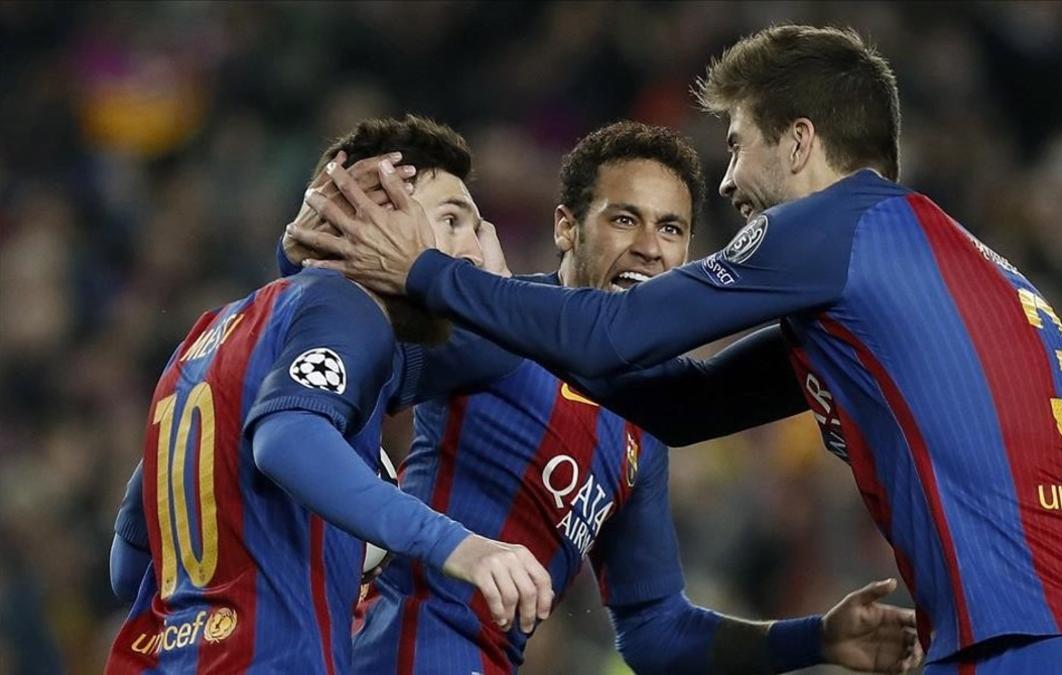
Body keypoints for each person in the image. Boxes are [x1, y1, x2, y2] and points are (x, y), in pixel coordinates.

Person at [293, 26, 1062, 674]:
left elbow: (612, 336)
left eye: (738, 145)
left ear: (798, 142)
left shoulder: (836, 223)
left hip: (1015, 644)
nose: (727, 181)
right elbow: (688, 402)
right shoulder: (939, 270)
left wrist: (425, 268)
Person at [281, 121, 921, 674]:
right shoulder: (490, 328)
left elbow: (655, 630)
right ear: (566, 228)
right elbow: (335, 364)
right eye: (624, 219)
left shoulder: (647, 425)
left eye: (671, 228)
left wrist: (814, 639)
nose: (649, 245)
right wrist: (308, 261)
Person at [104, 116, 552, 674]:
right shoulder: (347, 306)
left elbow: (130, 566)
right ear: (372, 219)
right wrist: (459, 545)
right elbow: (288, 438)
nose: (473, 248)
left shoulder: (205, 340)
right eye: (453, 219)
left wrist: (499, 299)